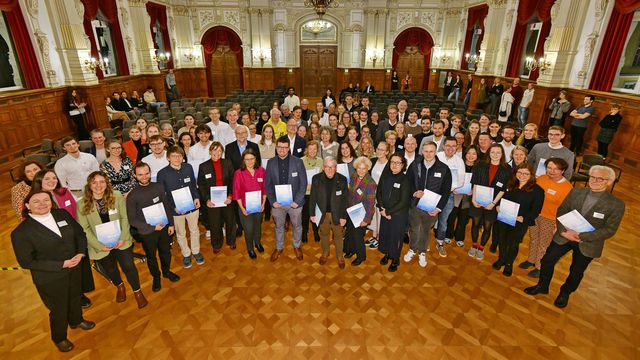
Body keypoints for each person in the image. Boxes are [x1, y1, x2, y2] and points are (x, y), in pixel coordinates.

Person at [524, 166, 625, 308]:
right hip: (565, 235)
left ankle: (565, 293)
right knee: (547, 260)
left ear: (609, 182)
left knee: (576, 271)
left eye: (600, 179)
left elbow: (609, 229)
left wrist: (581, 235)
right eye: (592, 177)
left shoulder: (616, 204)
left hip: (588, 243)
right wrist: (563, 231)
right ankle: (542, 285)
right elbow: (562, 210)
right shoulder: (576, 191)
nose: (594, 181)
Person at [11, 190, 96, 352]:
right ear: (27, 206)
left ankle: (77, 320)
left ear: (51, 201)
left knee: (75, 297)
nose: (42, 204)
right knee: (59, 308)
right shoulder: (21, 232)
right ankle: (59, 337)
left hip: (75, 267)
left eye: (46, 200)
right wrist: (61, 264)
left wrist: (80, 252)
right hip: (50, 278)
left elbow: (79, 234)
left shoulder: (61, 214)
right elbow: (26, 261)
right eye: (36, 201)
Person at [76, 171, 148, 308]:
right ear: (89, 184)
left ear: (106, 183)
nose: (98, 185)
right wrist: (98, 245)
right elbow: (84, 229)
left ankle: (137, 291)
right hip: (100, 246)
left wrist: (123, 238)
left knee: (129, 267)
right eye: (94, 182)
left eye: (102, 182)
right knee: (110, 269)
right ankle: (120, 286)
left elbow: (124, 217)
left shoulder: (116, 196)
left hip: (121, 240)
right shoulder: (81, 204)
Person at [126, 162, 179, 293]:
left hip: (164, 227)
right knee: (151, 256)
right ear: (135, 175)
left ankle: (166, 272)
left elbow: (166, 206)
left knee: (166, 252)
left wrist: (171, 223)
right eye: (140, 174)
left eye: (146, 173)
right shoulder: (132, 195)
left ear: (150, 173)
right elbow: (132, 220)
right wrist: (151, 227)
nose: (144, 177)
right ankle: (156, 277)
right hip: (147, 232)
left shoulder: (158, 187)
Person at [519, 158, 573, 278]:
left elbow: (566, 209)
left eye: (556, 169)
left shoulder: (567, 187)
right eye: (549, 168)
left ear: (563, 170)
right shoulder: (541, 178)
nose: (552, 171)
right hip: (535, 215)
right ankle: (531, 260)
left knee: (544, 244)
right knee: (533, 239)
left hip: (550, 219)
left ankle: (539, 266)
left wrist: (558, 225)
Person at [404, 142, 453, 267]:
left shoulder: (444, 169)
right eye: (426, 151)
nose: (428, 154)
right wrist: (414, 193)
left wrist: (438, 208)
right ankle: (412, 248)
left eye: (431, 151)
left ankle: (422, 252)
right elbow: (407, 183)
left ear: (436, 152)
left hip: (432, 208)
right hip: (415, 205)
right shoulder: (415, 165)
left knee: (426, 230)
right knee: (414, 229)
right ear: (422, 151)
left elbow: (446, 191)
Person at [492, 163, 544, 276]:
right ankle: (501, 259)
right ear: (516, 173)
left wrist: (524, 218)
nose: (522, 175)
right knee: (502, 240)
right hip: (504, 217)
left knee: (513, 243)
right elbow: (503, 198)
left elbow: (536, 210)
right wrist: (498, 206)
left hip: (519, 222)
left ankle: (509, 264)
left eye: (526, 173)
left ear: (531, 175)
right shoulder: (511, 184)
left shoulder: (538, 190)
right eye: (520, 172)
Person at [157, 146, 203, 268]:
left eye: (179, 156)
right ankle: (186, 254)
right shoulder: (162, 174)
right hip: (176, 210)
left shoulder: (188, 167)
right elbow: (162, 195)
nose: (177, 158)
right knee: (181, 233)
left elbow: (193, 185)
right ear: (168, 158)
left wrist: (196, 197)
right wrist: (173, 208)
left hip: (192, 206)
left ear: (183, 157)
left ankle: (196, 251)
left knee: (194, 230)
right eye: (174, 156)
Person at [265, 136, 308, 262]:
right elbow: (267, 184)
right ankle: (279, 247)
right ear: (276, 147)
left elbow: (303, 183)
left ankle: (297, 245)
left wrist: (297, 201)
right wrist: (272, 201)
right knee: (279, 226)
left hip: (295, 203)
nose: (282, 150)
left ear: (289, 148)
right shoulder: (270, 162)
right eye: (280, 147)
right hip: (277, 204)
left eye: (285, 147)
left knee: (297, 225)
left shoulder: (298, 162)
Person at [468, 144, 511, 260]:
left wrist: (493, 204)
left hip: (492, 204)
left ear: (502, 154)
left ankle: (481, 248)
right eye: (493, 152)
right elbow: (475, 182)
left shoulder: (507, 169)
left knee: (487, 227)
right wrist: (473, 199)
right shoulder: (480, 165)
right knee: (475, 224)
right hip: (477, 201)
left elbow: (503, 189)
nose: (495, 155)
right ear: (489, 153)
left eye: (498, 153)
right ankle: (474, 245)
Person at [309, 157, 348, 269]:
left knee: (338, 236)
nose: (329, 169)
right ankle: (325, 253)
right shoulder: (316, 178)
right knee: (324, 234)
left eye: (332, 167)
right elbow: (313, 197)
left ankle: (340, 256)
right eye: (327, 166)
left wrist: (343, 216)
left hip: (337, 214)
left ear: (336, 168)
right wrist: (312, 214)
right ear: (323, 167)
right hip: (322, 214)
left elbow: (345, 199)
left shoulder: (342, 179)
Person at [197, 142, 236, 252]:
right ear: (210, 151)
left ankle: (231, 241)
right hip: (212, 200)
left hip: (227, 198)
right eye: (214, 150)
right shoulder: (203, 166)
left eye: (220, 151)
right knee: (215, 223)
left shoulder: (228, 163)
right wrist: (206, 200)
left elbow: (233, 180)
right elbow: (201, 185)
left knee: (230, 221)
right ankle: (216, 244)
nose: (217, 153)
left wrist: (230, 196)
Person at [377, 153, 411, 272]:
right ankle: (387, 254)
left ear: (403, 165)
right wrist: (382, 208)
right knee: (386, 235)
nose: (395, 165)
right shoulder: (386, 176)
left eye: (398, 163)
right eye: (392, 162)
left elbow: (404, 201)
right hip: (385, 213)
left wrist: (388, 211)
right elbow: (378, 193)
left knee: (396, 237)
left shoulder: (406, 179)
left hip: (398, 215)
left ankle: (395, 258)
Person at [232, 150, 267, 259]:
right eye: (247, 159)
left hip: (258, 206)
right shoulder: (238, 173)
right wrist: (242, 208)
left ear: (255, 159)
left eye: (252, 159)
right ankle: (250, 248)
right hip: (245, 207)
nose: (250, 161)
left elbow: (264, 189)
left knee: (257, 226)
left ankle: (257, 243)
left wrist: (264, 203)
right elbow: (236, 192)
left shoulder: (261, 171)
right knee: (248, 229)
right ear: (243, 160)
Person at [434, 137, 465, 255]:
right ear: (443, 146)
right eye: (448, 145)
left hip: (449, 195)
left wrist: (447, 189)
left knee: (443, 221)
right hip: (433, 194)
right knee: (429, 219)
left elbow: (461, 181)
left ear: (457, 147)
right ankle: (424, 243)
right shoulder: (437, 156)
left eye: (453, 146)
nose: (450, 148)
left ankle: (440, 242)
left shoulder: (459, 161)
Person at [445, 146, 479, 248]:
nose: (471, 156)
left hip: (469, 197)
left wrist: (473, 191)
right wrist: (453, 187)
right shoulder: (459, 164)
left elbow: (480, 183)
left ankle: (460, 237)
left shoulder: (479, 168)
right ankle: (448, 235)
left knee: (463, 219)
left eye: (474, 154)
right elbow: (452, 177)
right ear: (465, 154)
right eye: (469, 153)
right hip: (456, 194)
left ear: (477, 156)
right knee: (451, 216)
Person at [346, 156, 376, 266]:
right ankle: (352, 250)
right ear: (356, 168)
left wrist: (366, 219)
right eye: (359, 168)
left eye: (364, 168)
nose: (361, 170)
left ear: (368, 168)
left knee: (358, 236)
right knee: (350, 233)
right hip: (351, 211)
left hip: (361, 214)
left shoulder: (371, 183)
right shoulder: (354, 176)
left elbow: (370, 204)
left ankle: (361, 256)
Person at [366, 141, 390, 249]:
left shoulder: (389, 165)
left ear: (387, 152)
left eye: (382, 150)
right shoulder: (373, 161)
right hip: (372, 194)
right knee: (374, 216)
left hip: (382, 196)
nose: (379, 151)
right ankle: (374, 235)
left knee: (380, 217)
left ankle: (380, 239)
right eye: (378, 149)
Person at [301, 141, 322, 244]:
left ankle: (316, 232)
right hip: (305, 193)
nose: (312, 151)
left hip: (317, 193)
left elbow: (323, 177)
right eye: (310, 149)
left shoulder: (321, 161)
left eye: (314, 149)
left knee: (316, 214)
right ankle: (304, 232)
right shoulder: (301, 161)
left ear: (317, 150)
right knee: (305, 215)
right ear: (307, 150)